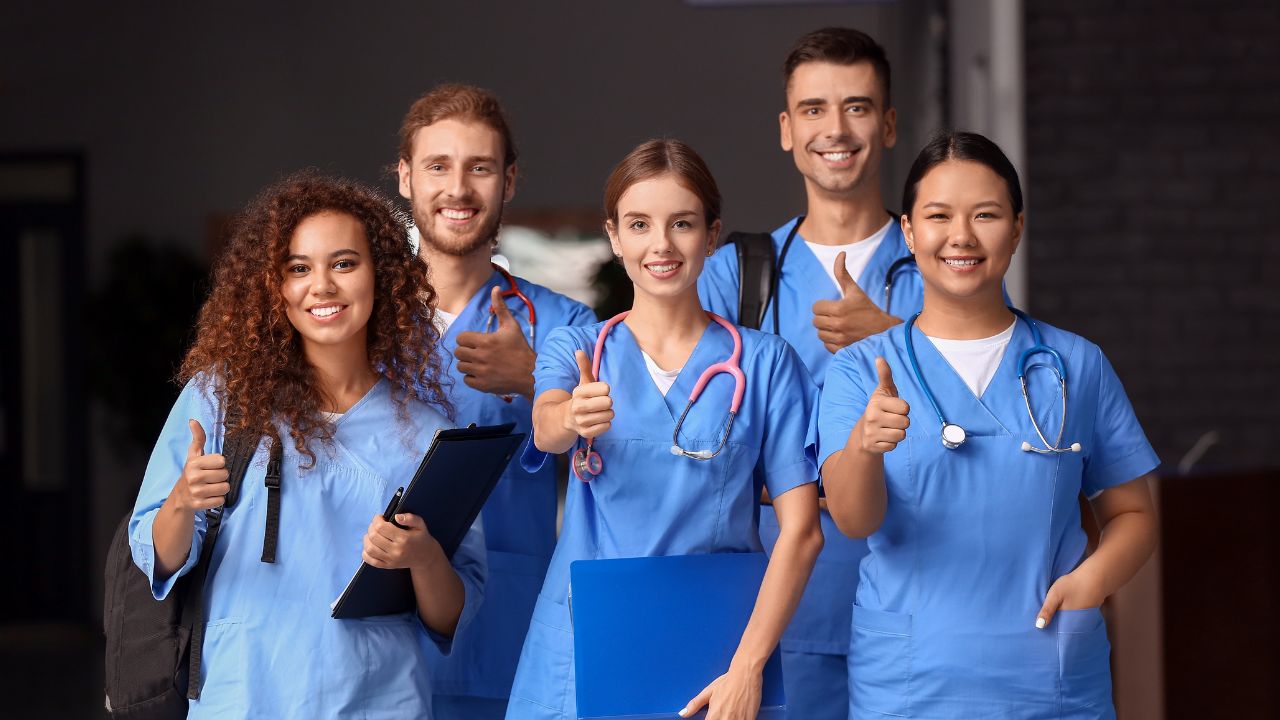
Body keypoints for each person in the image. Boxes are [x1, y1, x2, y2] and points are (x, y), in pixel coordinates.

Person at [817, 131, 1159, 718]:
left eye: (986, 215)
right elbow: (853, 519)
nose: (961, 236)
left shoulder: (1076, 365)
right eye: (939, 216)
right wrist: (865, 447)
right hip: (910, 682)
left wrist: (1091, 583)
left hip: (1049, 674)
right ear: (908, 231)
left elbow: (1133, 514)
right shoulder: (860, 369)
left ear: (1018, 228)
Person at [127, 172, 486, 718]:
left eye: (344, 263)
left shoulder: (428, 433)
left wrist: (424, 557)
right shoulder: (222, 399)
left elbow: (450, 617)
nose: (321, 286)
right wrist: (181, 500)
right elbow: (159, 558)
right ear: (274, 288)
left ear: (381, 276)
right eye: (298, 268)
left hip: (379, 700)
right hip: (245, 693)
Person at [505, 139, 824, 720]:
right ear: (614, 237)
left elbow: (802, 531)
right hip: (586, 648)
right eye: (639, 224)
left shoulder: (766, 364)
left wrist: (747, 669)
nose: (661, 244)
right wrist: (572, 415)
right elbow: (547, 425)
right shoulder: (578, 349)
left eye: (682, 223)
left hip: (716, 654)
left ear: (712, 234)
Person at [696, 28, 920, 718]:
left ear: (886, 126)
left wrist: (893, 340)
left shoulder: (942, 267)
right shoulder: (736, 277)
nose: (837, 128)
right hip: (772, 606)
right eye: (815, 110)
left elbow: (995, 413)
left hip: (917, 592)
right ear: (788, 131)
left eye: (857, 107)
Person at [396, 84, 597, 720]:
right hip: (375, 639)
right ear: (404, 178)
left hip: (509, 632)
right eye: (437, 166)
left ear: (508, 182)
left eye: (479, 167)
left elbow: (629, 455)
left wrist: (537, 379)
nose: (458, 189)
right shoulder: (354, 321)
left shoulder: (564, 326)